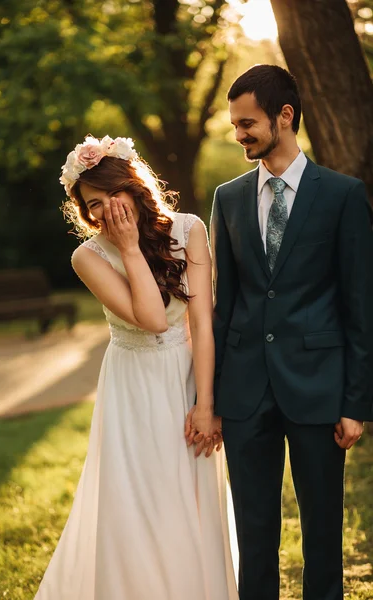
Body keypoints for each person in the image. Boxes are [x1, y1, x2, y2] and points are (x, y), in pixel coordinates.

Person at [189, 64, 373, 600]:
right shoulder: (228, 198)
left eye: (247, 123)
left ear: (284, 115)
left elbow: (359, 305)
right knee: (254, 533)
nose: (239, 134)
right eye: (235, 125)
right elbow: (225, 305)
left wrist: (355, 402)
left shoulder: (342, 195)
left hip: (319, 390)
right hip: (245, 393)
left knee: (322, 534)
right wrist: (213, 396)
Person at [33, 134, 237, 599]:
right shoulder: (88, 256)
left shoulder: (189, 230)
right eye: (92, 205)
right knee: (139, 500)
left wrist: (207, 404)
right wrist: (127, 247)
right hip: (133, 386)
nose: (104, 211)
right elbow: (149, 319)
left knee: (191, 497)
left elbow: (203, 325)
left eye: (110, 195)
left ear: (133, 184)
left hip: (188, 376)